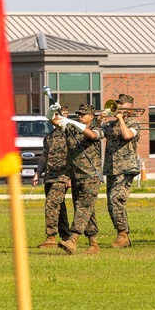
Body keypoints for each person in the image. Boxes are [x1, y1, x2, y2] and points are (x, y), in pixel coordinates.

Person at [56, 104, 105, 255]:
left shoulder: (97, 129)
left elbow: (92, 136)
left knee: (83, 207)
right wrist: (52, 111)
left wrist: (72, 122)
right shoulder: (72, 131)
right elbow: (54, 121)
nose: (80, 116)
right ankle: (94, 243)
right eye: (78, 114)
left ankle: (73, 240)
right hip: (76, 176)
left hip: (91, 176)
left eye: (83, 115)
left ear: (92, 117)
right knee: (85, 210)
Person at [101, 93, 141, 249]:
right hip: (111, 168)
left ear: (129, 106)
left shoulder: (133, 123)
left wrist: (120, 119)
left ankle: (123, 234)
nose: (118, 106)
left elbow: (127, 135)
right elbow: (95, 135)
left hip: (126, 168)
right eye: (117, 104)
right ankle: (121, 234)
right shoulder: (110, 125)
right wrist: (99, 122)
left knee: (116, 199)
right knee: (110, 203)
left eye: (121, 104)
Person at [33, 121, 71, 248]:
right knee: (59, 206)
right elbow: (44, 156)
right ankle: (66, 236)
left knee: (51, 204)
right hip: (49, 176)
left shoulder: (70, 135)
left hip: (62, 176)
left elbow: (74, 156)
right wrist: (38, 173)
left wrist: (70, 176)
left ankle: (51, 236)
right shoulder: (49, 136)